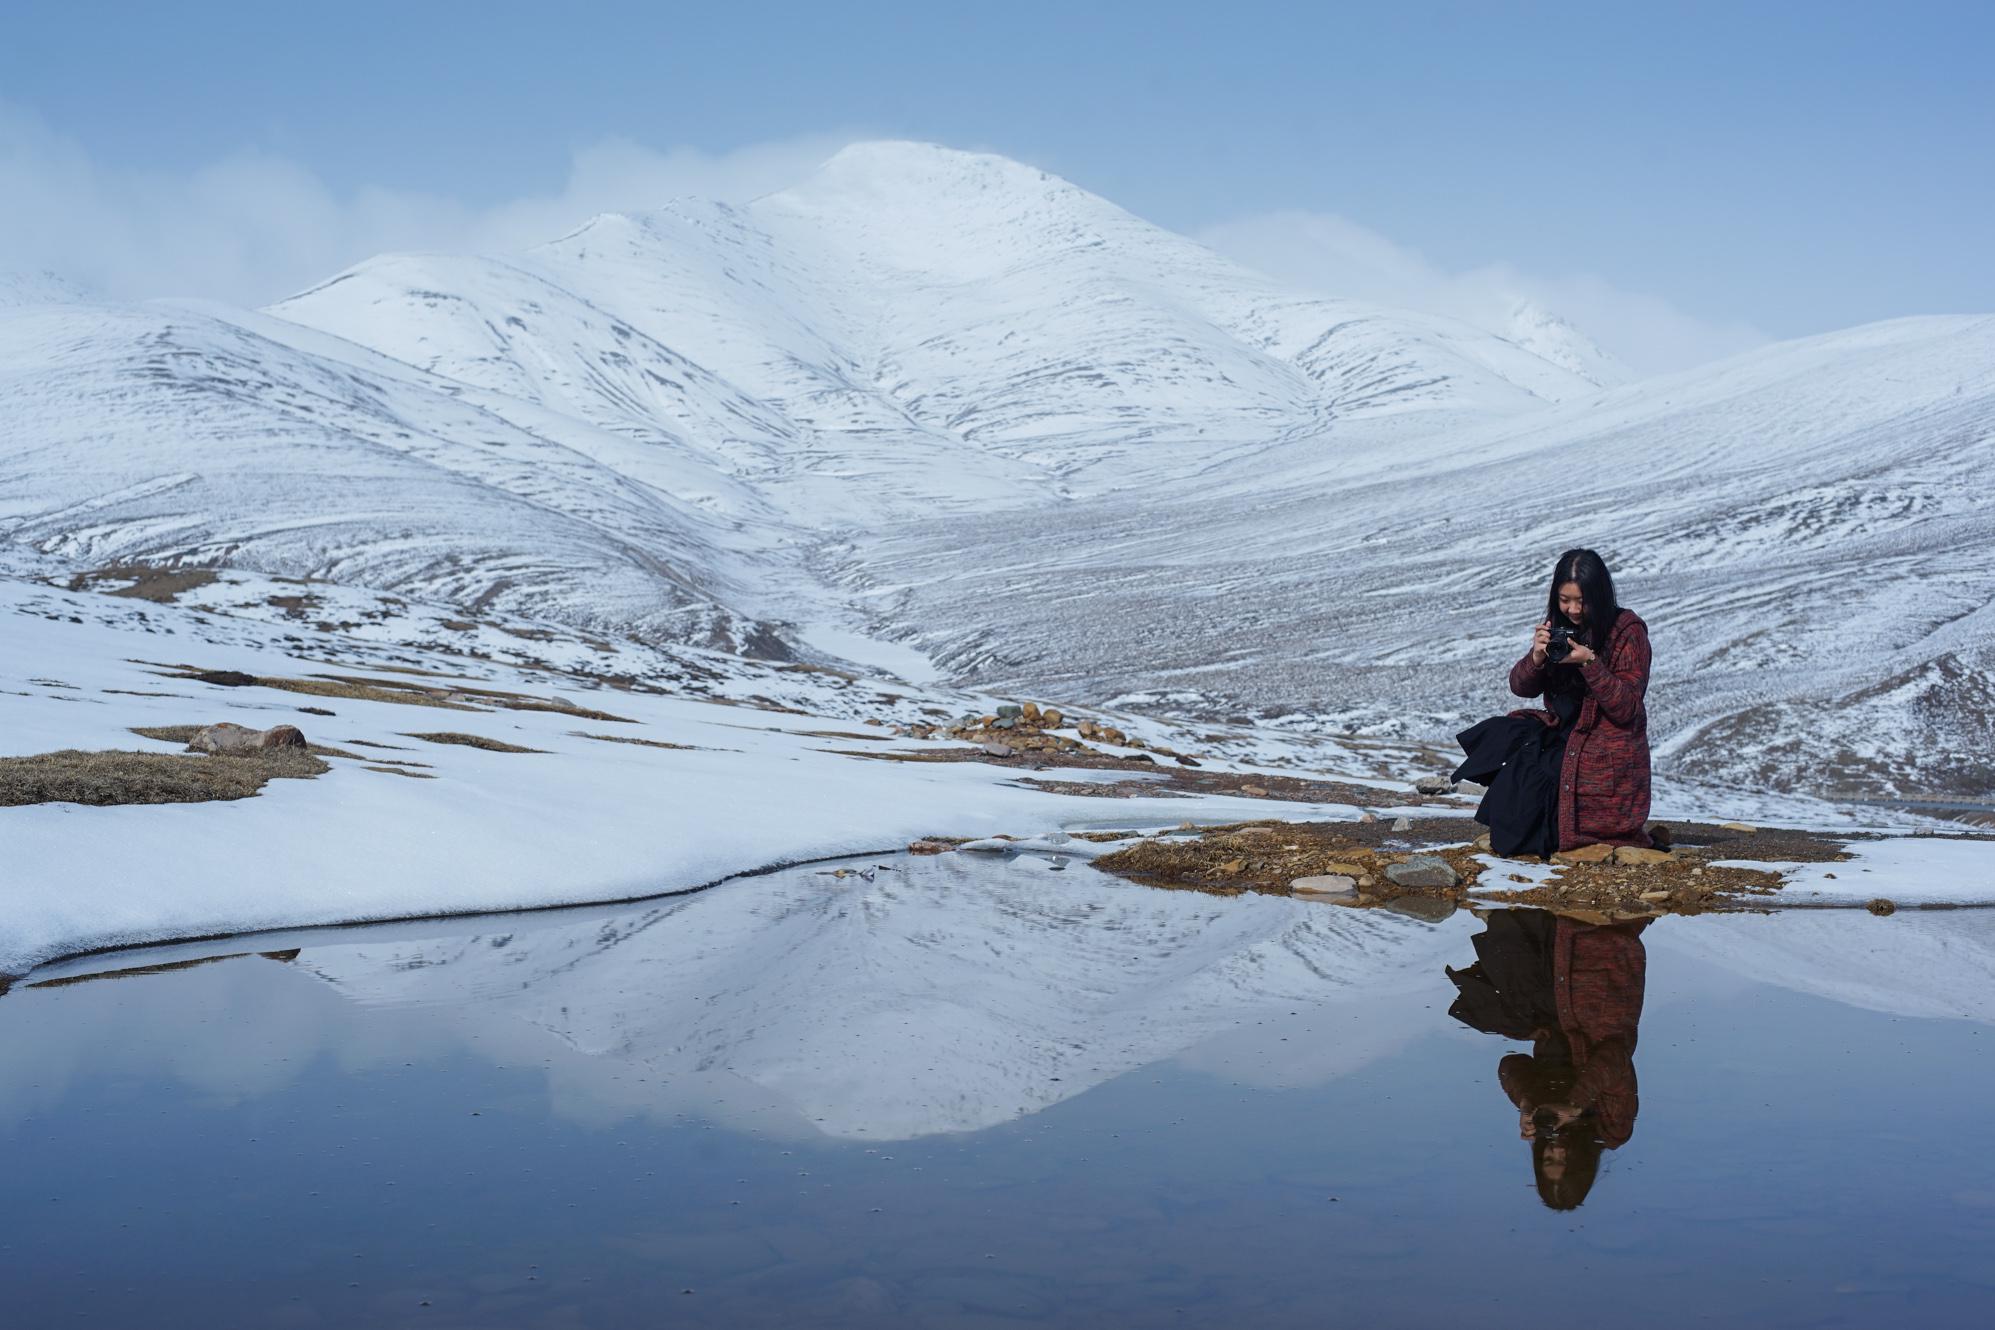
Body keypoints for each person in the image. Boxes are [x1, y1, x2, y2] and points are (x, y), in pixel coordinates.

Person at [1453, 548, 1652, 858]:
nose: (1572, 609)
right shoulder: (1560, 627)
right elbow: (1520, 687)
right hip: (1562, 733)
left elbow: (1627, 708)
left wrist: (1590, 663)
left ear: (1598, 596)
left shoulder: (1627, 632)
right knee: (1502, 737)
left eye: (1581, 601)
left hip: (1601, 744)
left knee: (1531, 802)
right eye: (1564, 599)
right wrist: (1536, 657)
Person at [1446, 908, 1649, 1210]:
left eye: (1548, 1158)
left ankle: (1519, 910)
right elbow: (1614, 1058)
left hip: (1551, 1018)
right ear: (1582, 1165)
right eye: (1564, 1160)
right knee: (1555, 967)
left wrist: (1528, 1102)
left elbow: (1509, 1066)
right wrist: (1575, 1105)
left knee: (1492, 1010)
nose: (1557, 1149)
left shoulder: (1543, 1117)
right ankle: (1547, 921)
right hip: (1593, 1012)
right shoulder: (1612, 1128)